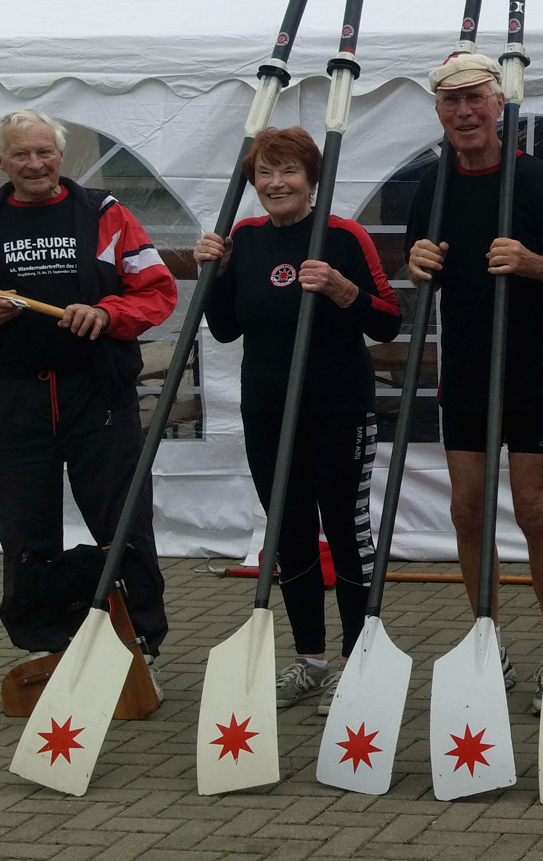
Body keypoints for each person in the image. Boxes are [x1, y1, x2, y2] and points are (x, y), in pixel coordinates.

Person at [0, 108, 176, 663]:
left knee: (123, 523)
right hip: (12, 402)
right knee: (25, 532)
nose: (34, 164)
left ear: (61, 156)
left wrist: (108, 314)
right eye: (21, 154)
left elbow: (156, 291)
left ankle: (140, 644)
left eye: (44, 152)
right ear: (0, 161)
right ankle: (45, 647)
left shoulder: (104, 214)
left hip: (97, 396)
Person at [403, 54, 543, 709]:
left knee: (535, 509)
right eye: (451, 102)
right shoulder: (429, 187)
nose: (464, 113)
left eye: (475, 100)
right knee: (466, 509)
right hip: (462, 371)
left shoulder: (538, 183)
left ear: (499, 106)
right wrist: (418, 263)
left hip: (531, 371)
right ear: (439, 114)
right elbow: (419, 265)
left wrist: (532, 262)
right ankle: (487, 641)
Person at [195, 127, 401, 712]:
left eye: (289, 172)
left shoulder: (341, 235)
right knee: (288, 532)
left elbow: (387, 319)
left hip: (338, 406)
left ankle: (357, 660)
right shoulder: (244, 237)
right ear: (252, 182)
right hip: (266, 408)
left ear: (313, 179)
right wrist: (213, 274)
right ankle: (310, 659)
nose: (276, 183)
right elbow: (226, 328)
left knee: (346, 530)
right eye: (265, 173)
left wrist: (340, 289)